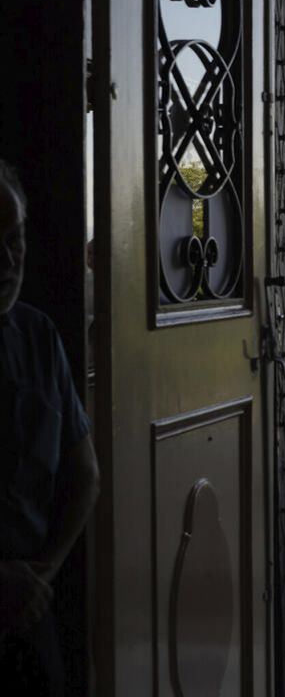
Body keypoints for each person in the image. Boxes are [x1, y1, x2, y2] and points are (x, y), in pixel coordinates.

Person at [0, 160, 99, 696]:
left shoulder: (38, 336)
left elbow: (86, 475)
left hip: (30, 610)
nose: (7, 259)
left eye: (14, 239)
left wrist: (39, 576)